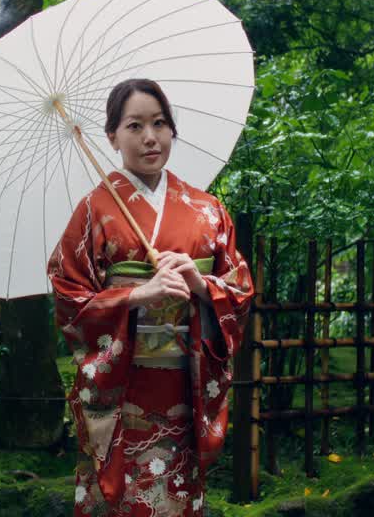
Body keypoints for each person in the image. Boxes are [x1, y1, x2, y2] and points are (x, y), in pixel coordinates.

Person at [48, 78, 255, 516]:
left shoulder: (207, 210)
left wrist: (201, 285)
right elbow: (68, 297)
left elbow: (239, 289)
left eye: (160, 123)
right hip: (124, 387)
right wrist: (137, 295)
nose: (150, 137)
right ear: (111, 136)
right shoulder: (93, 210)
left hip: (184, 385)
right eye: (134, 125)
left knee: (177, 497)